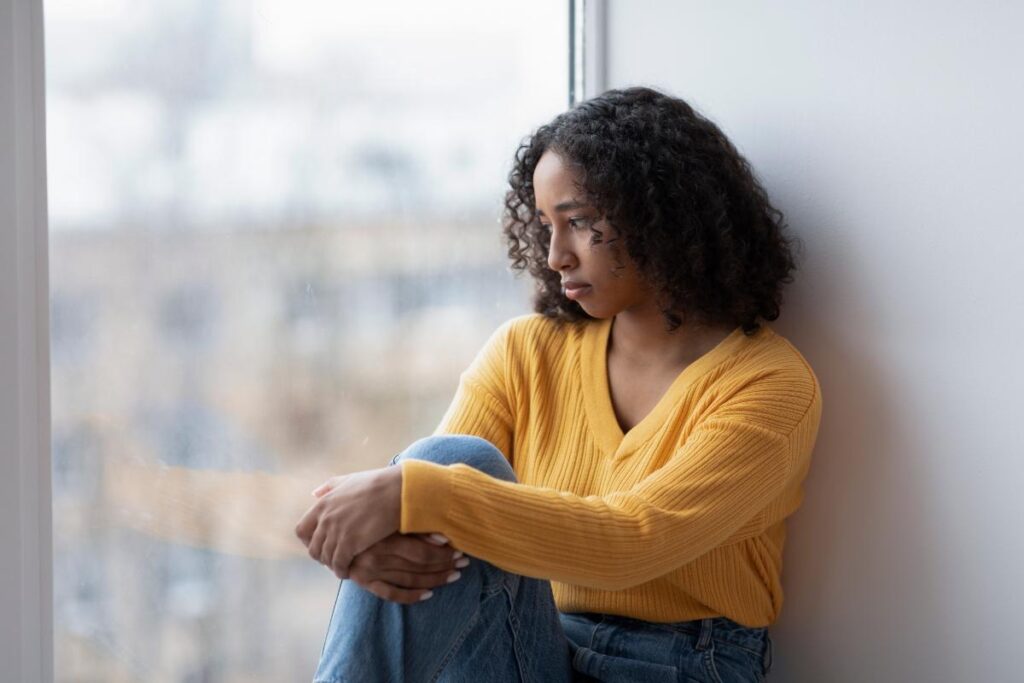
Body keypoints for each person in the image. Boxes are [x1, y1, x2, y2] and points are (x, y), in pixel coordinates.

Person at [295, 85, 822, 682]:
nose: (554, 256)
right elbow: (432, 513)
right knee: (449, 460)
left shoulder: (769, 385)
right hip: (534, 644)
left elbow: (634, 541)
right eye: (545, 226)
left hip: (680, 665)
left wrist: (407, 497)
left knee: (435, 481)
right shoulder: (528, 351)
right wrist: (389, 536)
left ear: (661, 215)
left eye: (577, 223)